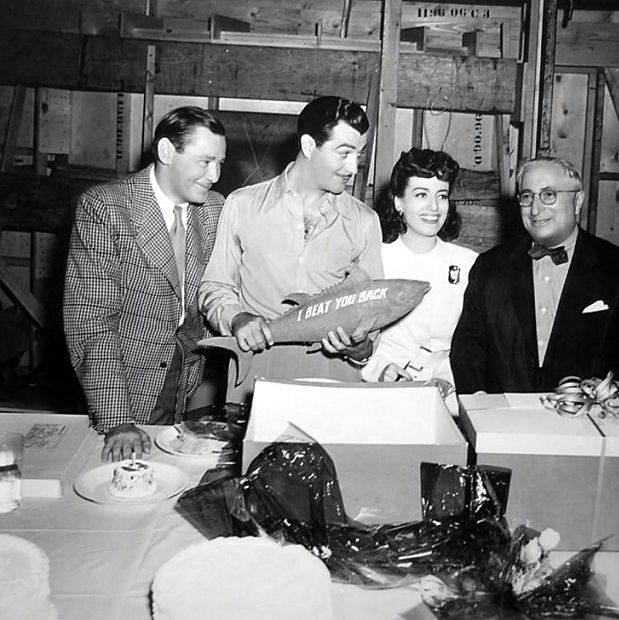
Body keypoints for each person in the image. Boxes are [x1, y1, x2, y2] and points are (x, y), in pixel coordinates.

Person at [63, 106, 227, 461]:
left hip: (186, 381)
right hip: (122, 383)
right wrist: (118, 420)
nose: (214, 175)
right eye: (205, 162)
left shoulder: (214, 208)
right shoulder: (105, 207)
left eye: (220, 164)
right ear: (167, 151)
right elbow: (90, 321)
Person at [198, 96, 382, 399]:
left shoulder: (365, 222)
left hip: (334, 385)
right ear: (309, 146)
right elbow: (215, 286)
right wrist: (237, 318)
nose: (354, 168)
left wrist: (362, 346)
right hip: (253, 381)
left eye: (359, 155)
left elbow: (373, 309)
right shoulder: (243, 205)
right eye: (344, 153)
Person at [450, 156, 619, 395]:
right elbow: (467, 345)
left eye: (548, 195)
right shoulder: (489, 267)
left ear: (577, 201)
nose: (536, 209)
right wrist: (478, 400)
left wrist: (612, 388)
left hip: (587, 420)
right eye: (527, 196)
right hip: (506, 420)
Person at [361, 148, 477, 412]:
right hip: (386, 395)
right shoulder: (377, 261)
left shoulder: (469, 264)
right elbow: (357, 341)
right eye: (421, 195)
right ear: (398, 202)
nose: (434, 208)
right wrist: (381, 371)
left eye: (442, 196)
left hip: (450, 397)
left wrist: (449, 377)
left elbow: (476, 341)